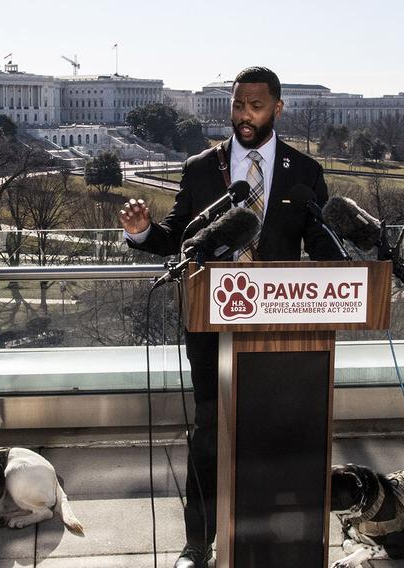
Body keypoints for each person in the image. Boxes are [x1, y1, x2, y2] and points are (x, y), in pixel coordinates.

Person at [119, 66, 344, 568]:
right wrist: (141, 232)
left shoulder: (304, 171)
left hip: (280, 331)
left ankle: (270, 537)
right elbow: (181, 235)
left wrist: (350, 271)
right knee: (208, 435)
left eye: (255, 106)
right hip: (209, 326)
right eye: (238, 105)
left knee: (273, 433)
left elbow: (322, 245)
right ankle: (197, 544)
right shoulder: (203, 167)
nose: (244, 115)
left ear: (277, 108)